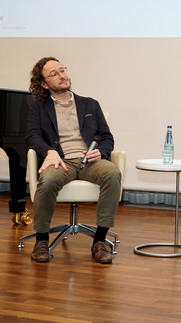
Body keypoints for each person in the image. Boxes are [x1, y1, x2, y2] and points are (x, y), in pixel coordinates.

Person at [26, 57, 122, 264]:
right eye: (54, 74)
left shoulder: (89, 104)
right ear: (43, 84)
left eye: (62, 70)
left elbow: (107, 137)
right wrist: (49, 151)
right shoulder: (39, 108)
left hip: (89, 161)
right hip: (60, 161)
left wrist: (101, 152)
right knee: (48, 180)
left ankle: (99, 240)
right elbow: (32, 137)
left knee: (112, 173)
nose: (62, 76)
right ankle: (42, 240)